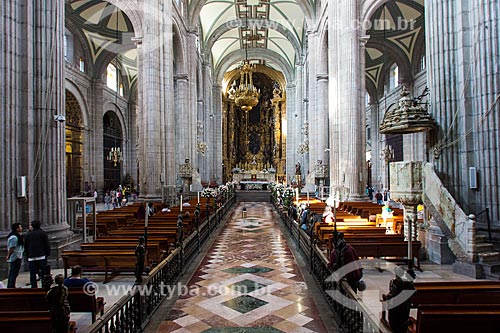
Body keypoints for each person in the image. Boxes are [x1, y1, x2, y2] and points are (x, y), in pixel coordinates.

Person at [382, 266, 416, 333]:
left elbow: (392, 295)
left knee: (396, 326)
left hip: (396, 309)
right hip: (405, 308)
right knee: (403, 323)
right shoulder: (407, 282)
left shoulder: (397, 283)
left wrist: (386, 298)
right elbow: (414, 292)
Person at [25, 220, 51, 288]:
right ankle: (44, 286)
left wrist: (27, 255)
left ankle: (34, 288)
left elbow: (26, 246)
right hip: (41, 256)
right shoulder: (43, 233)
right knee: (43, 274)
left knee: (32, 274)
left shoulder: (28, 234)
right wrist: (47, 253)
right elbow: (46, 245)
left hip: (31, 257)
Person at [5, 223, 24, 288]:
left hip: (17, 256)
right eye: (20, 227)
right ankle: (11, 286)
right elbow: (11, 248)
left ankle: (12, 285)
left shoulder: (17, 236)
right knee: (13, 272)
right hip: (15, 257)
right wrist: (8, 256)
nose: (21, 228)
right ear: (17, 228)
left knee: (14, 272)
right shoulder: (14, 237)